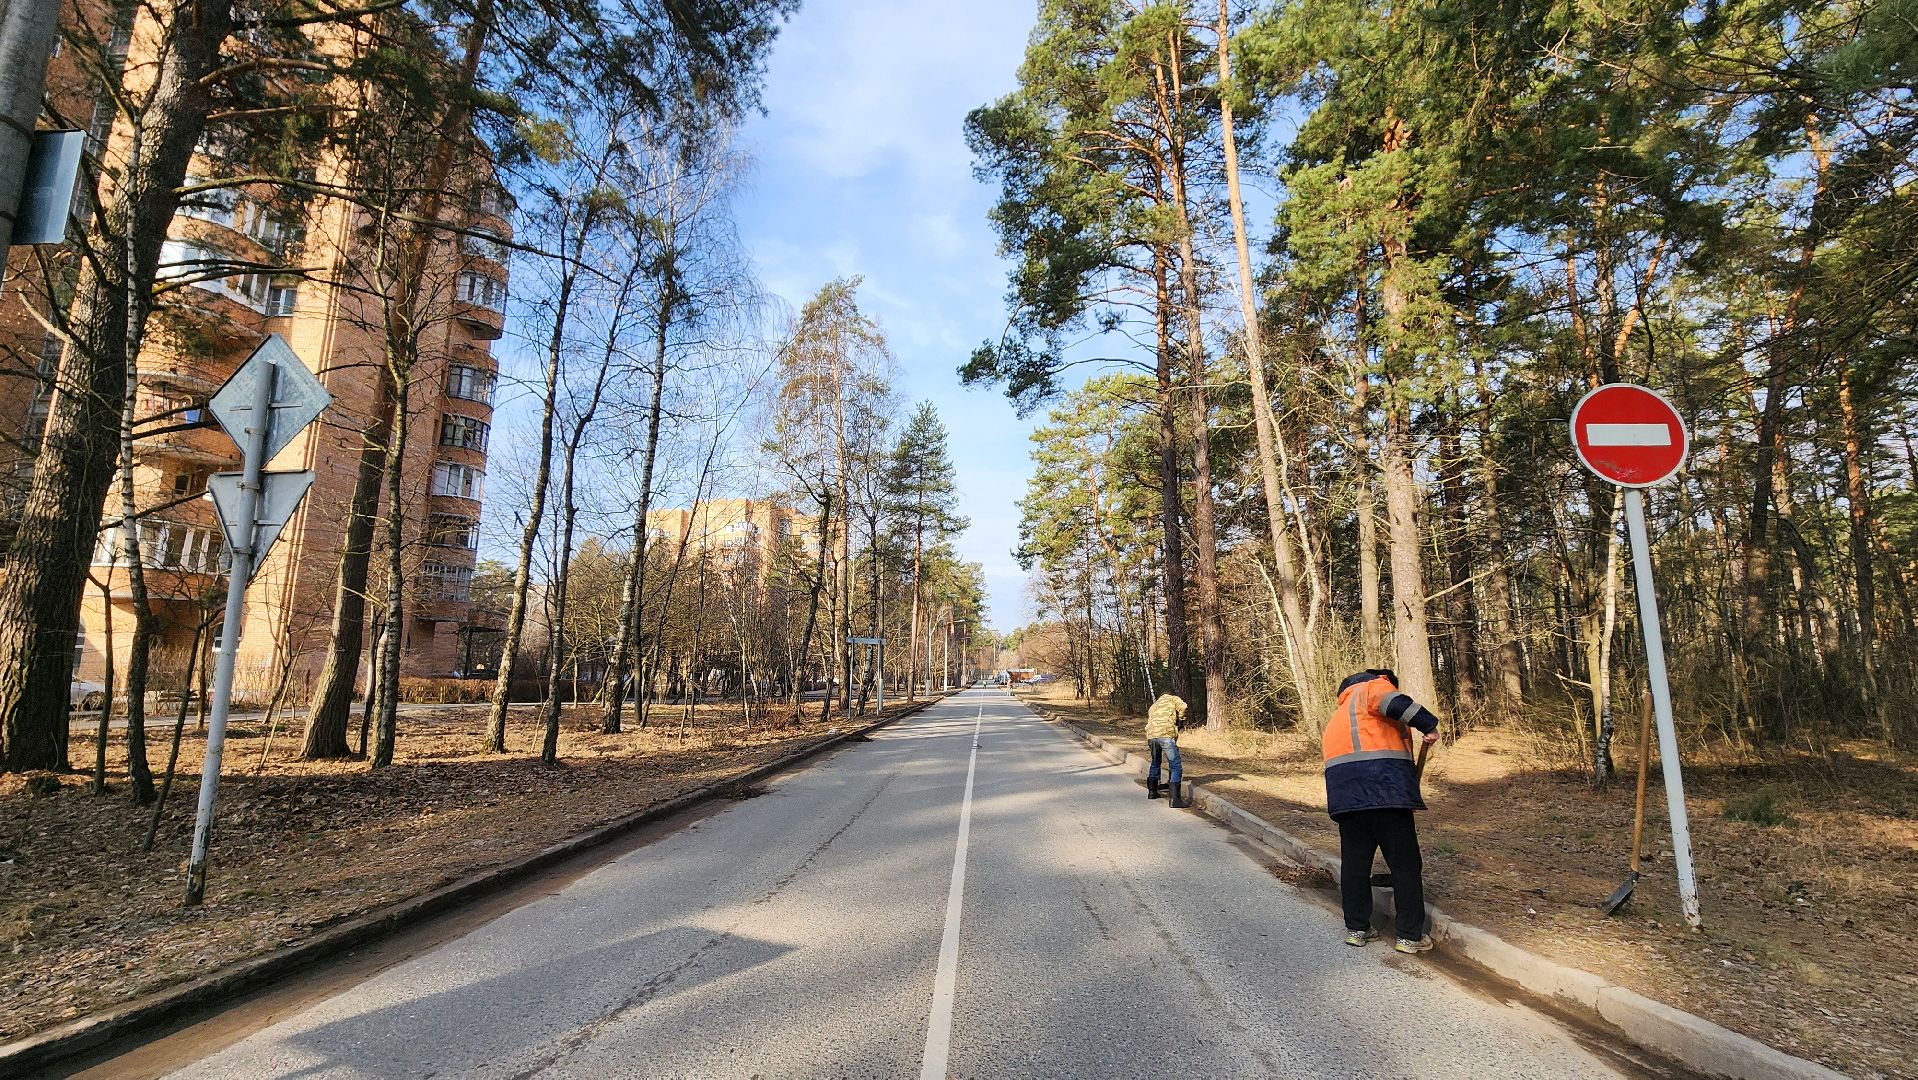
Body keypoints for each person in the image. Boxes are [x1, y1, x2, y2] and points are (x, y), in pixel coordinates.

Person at [1322, 668, 1441, 954]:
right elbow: (1398, 704)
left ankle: (1357, 929)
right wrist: (1428, 725)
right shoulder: (1373, 689)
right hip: (1384, 793)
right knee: (1405, 866)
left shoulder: (1337, 717)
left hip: (1347, 803)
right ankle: (1410, 936)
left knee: (1355, 865)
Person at [1144, 692, 1187, 808]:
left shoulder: (1155, 704)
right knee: (1175, 765)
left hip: (1151, 736)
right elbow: (1184, 706)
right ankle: (1175, 799)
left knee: (1155, 762)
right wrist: (1180, 720)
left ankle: (1152, 792)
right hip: (1166, 735)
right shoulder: (1173, 699)